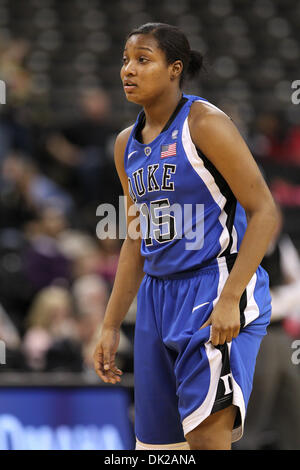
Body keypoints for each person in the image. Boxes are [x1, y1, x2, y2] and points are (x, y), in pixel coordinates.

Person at [93, 23, 279, 451]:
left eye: (143, 60)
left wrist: (231, 297)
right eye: (125, 60)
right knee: (158, 450)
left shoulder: (205, 123)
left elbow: (265, 211)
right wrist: (109, 324)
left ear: (175, 69)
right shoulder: (126, 145)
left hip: (213, 284)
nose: (128, 70)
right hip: (157, 299)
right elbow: (135, 239)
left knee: (206, 440)